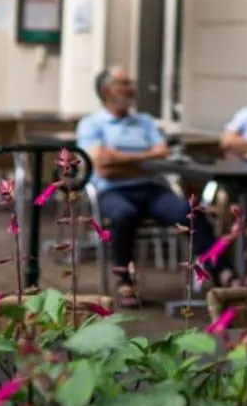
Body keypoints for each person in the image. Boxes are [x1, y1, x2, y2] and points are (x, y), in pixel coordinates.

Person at [75, 66, 215, 309]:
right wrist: (146, 160)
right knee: (123, 215)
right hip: (111, 190)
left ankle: (223, 274)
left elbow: (163, 155)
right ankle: (125, 280)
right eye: (125, 84)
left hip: (152, 189)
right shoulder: (91, 124)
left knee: (192, 212)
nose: (132, 89)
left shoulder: (145, 121)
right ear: (107, 90)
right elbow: (102, 166)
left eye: (131, 83)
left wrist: (122, 159)